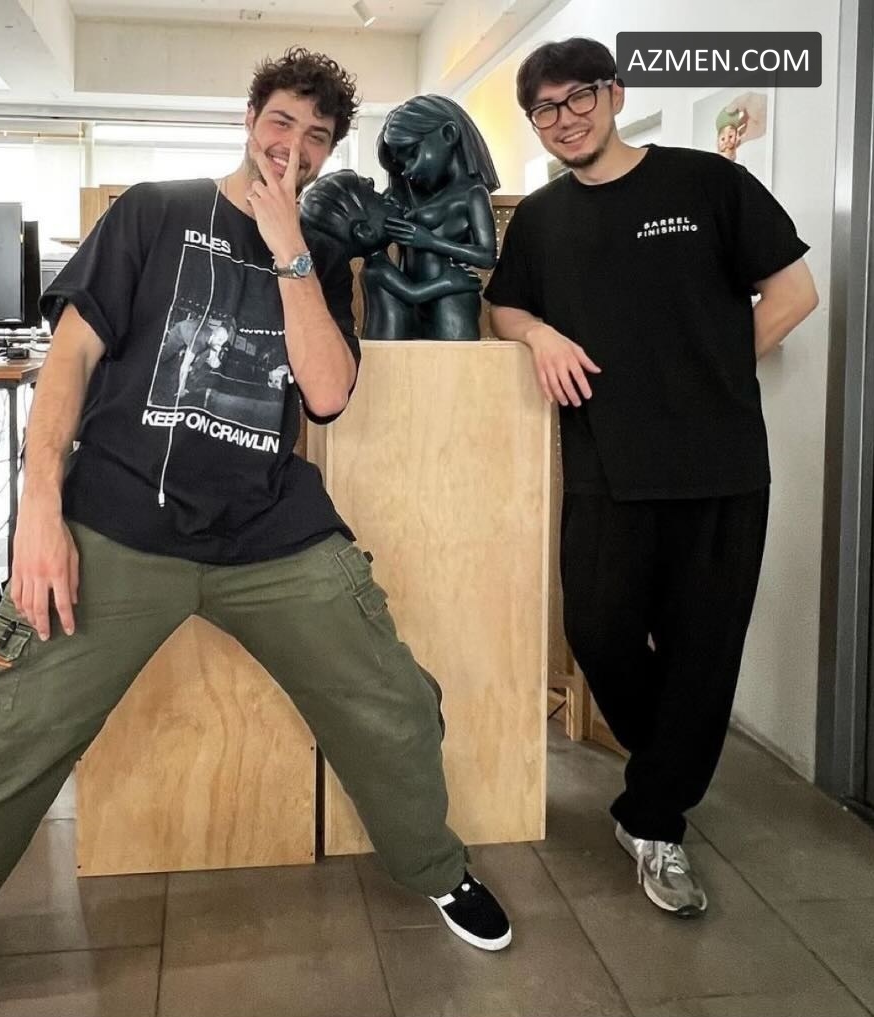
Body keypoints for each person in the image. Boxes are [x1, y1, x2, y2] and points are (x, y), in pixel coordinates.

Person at [0, 46, 511, 1017]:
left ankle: (436, 868)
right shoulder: (153, 211)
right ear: (249, 119)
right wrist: (39, 511)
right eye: (281, 122)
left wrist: (289, 249)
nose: (294, 147)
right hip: (118, 523)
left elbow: (327, 393)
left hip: (268, 532)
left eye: (317, 137)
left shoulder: (320, 256)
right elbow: (69, 364)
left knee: (394, 702)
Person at [485, 37, 818, 918]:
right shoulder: (542, 219)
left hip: (719, 467)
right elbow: (502, 303)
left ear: (615, 93)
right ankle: (666, 768)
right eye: (545, 109)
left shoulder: (705, 184)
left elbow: (794, 291)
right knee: (596, 629)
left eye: (578, 97)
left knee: (703, 651)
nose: (564, 118)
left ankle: (654, 819)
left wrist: (716, 370)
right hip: (605, 464)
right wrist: (537, 334)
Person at [299, 168, 482, 339]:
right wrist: (448, 282)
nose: (388, 195)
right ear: (366, 232)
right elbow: (413, 293)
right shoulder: (378, 269)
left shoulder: (383, 263)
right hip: (386, 341)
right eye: (380, 199)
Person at [377, 95, 499, 339]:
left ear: (448, 134)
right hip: (414, 297)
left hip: (450, 298)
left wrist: (430, 241)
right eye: (402, 164)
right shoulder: (413, 197)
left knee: (452, 362)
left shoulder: (473, 194)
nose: (407, 170)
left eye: (413, 154)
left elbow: (486, 256)